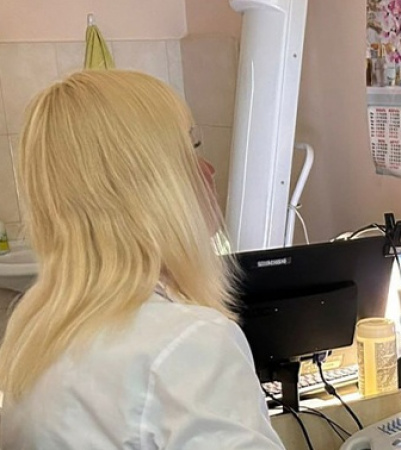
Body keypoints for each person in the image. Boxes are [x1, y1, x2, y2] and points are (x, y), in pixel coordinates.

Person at [0, 70, 285, 449]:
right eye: (191, 150)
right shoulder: (188, 343)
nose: (208, 170)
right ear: (144, 185)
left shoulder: (35, 334)